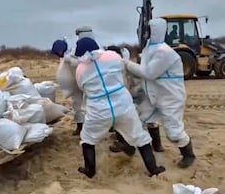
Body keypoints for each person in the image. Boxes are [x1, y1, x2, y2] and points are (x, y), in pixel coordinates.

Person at [74, 37, 165, 178]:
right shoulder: (112, 56)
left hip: (99, 110)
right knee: (139, 136)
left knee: (87, 139)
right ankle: (153, 169)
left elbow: (82, 86)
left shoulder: (80, 69)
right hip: (122, 105)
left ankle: (90, 171)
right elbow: (123, 68)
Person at [123, 17, 196, 168]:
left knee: (174, 131)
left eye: (147, 30)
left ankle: (188, 154)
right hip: (154, 95)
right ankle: (130, 147)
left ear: (154, 31)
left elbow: (148, 73)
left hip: (170, 98)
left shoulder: (165, 52)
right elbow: (143, 70)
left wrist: (126, 63)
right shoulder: (149, 49)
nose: (145, 34)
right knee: (138, 118)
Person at [105, 46, 164, 154]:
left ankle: (156, 145)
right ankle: (128, 145)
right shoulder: (112, 68)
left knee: (147, 120)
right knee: (123, 121)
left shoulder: (129, 66)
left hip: (140, 96)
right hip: (128, 98)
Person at [51, 39, 85, 135]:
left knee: (83, 106)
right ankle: (80, 126)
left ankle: (84, 127)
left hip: (80, 83)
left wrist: (69, 59)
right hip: (74, 86)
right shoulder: (64, 56)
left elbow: (79, 63)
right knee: (77, 106)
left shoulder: (73, 53)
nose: (58, 54)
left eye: (59, 52)